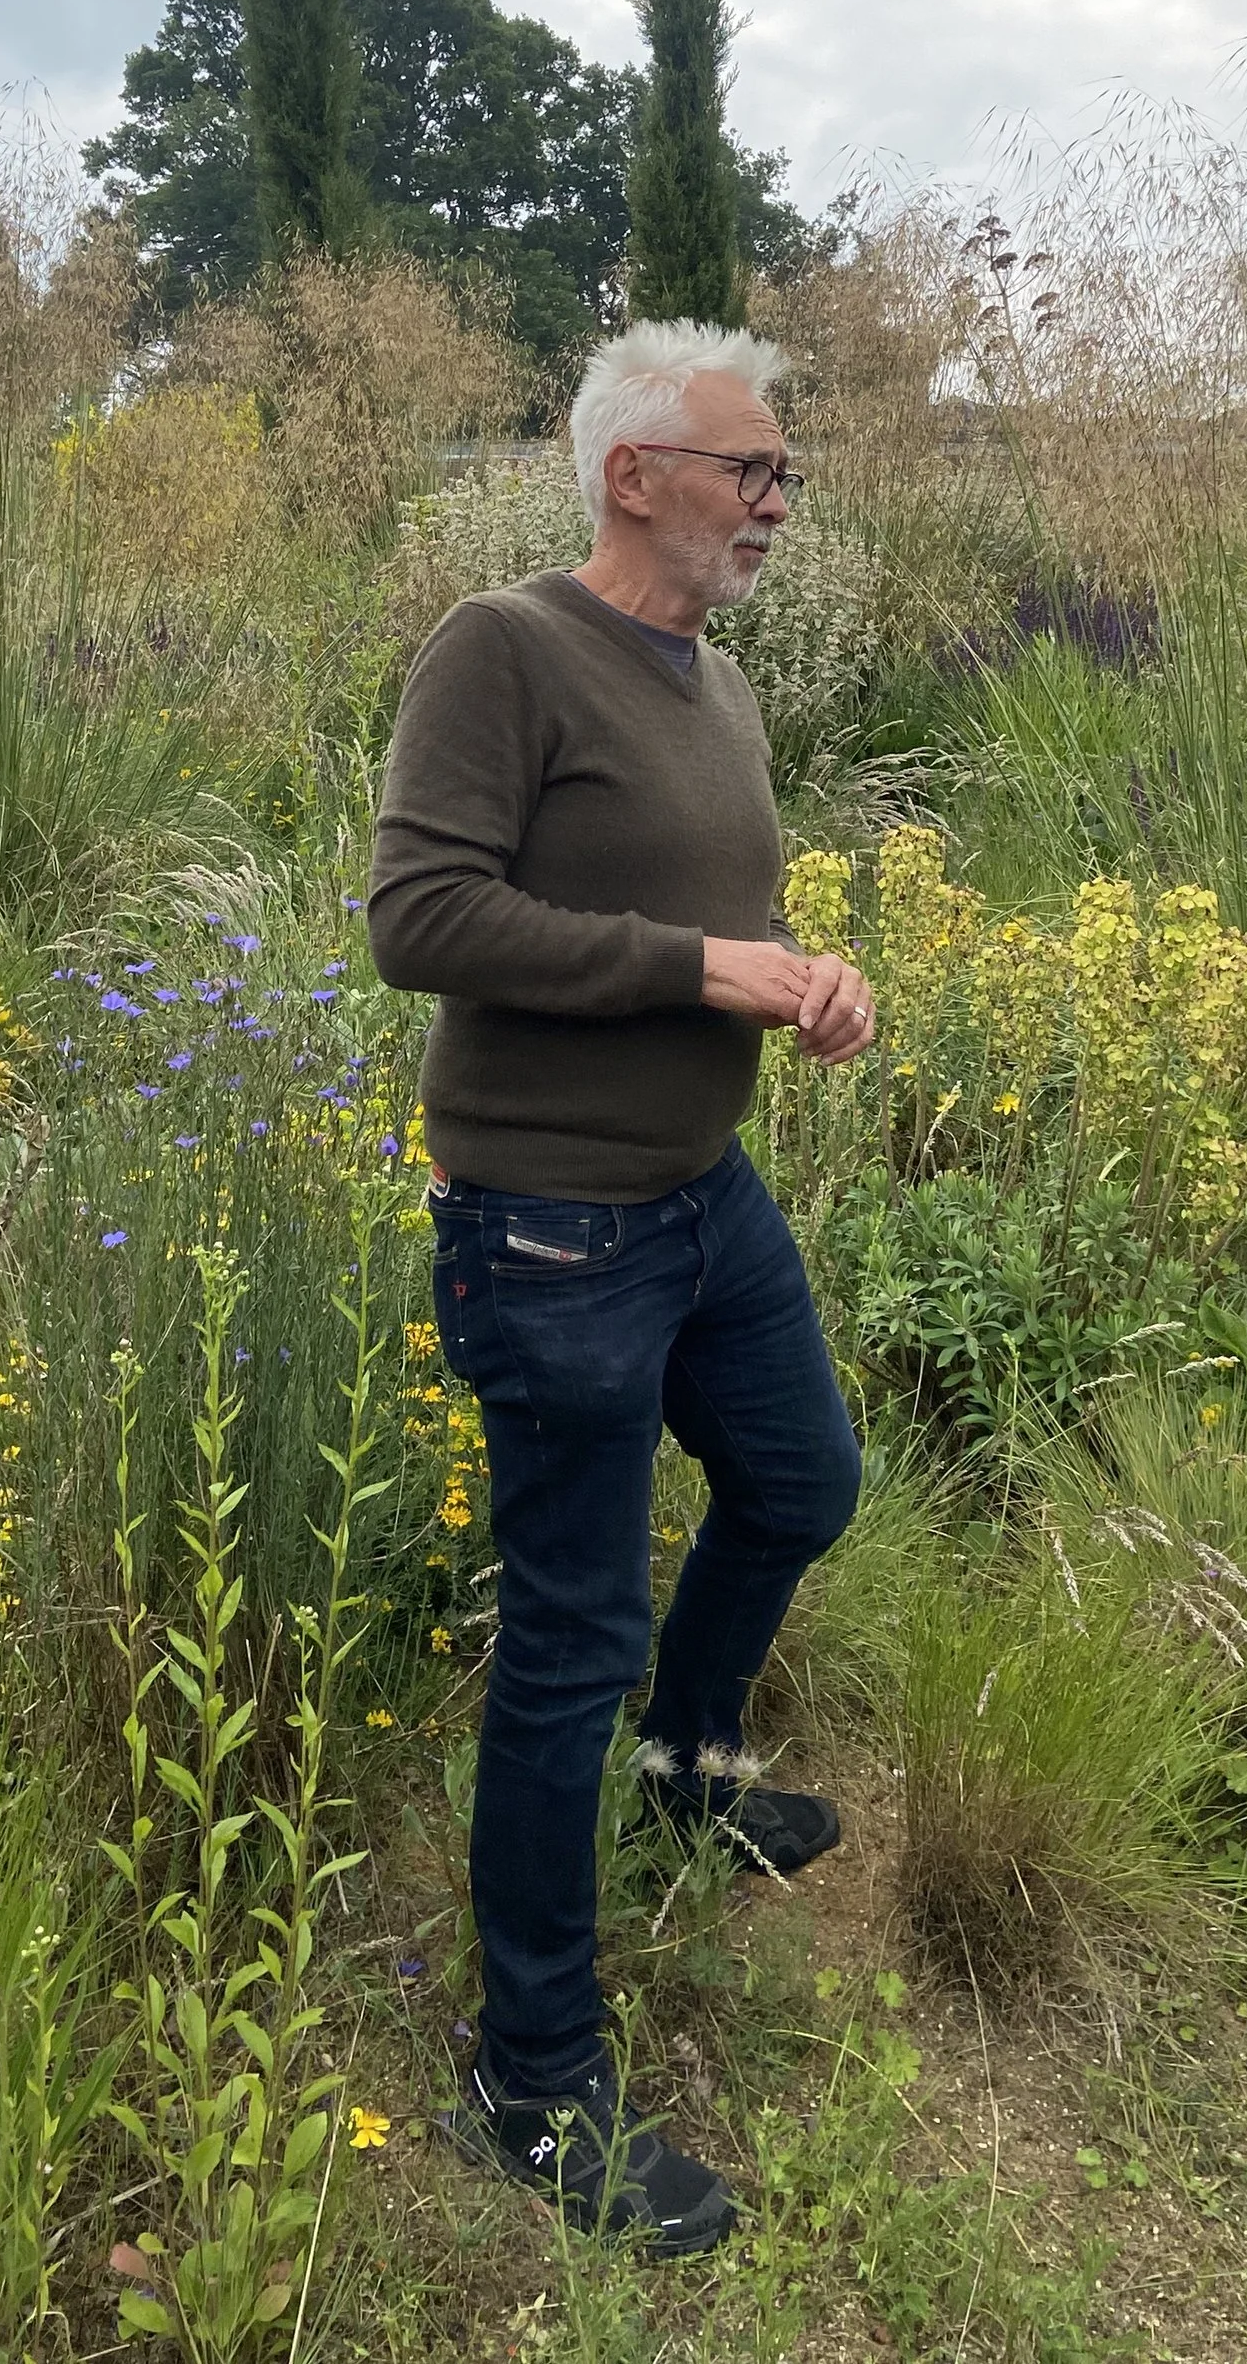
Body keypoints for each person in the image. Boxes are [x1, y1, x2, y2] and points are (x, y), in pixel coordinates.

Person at [368, 318, 876, 2256]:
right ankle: (532, 2072)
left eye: (779, 475)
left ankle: (688, 1766)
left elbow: (694, 919)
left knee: (798, 1484)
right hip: (554, 1228)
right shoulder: (501, 647)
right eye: (749, 466)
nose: (773, 499)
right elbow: (419, 916)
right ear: (629, 472)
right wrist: (699, 967)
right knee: (568, 1642)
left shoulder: (713, 680)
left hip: (699, 1196)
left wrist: (795, 976)